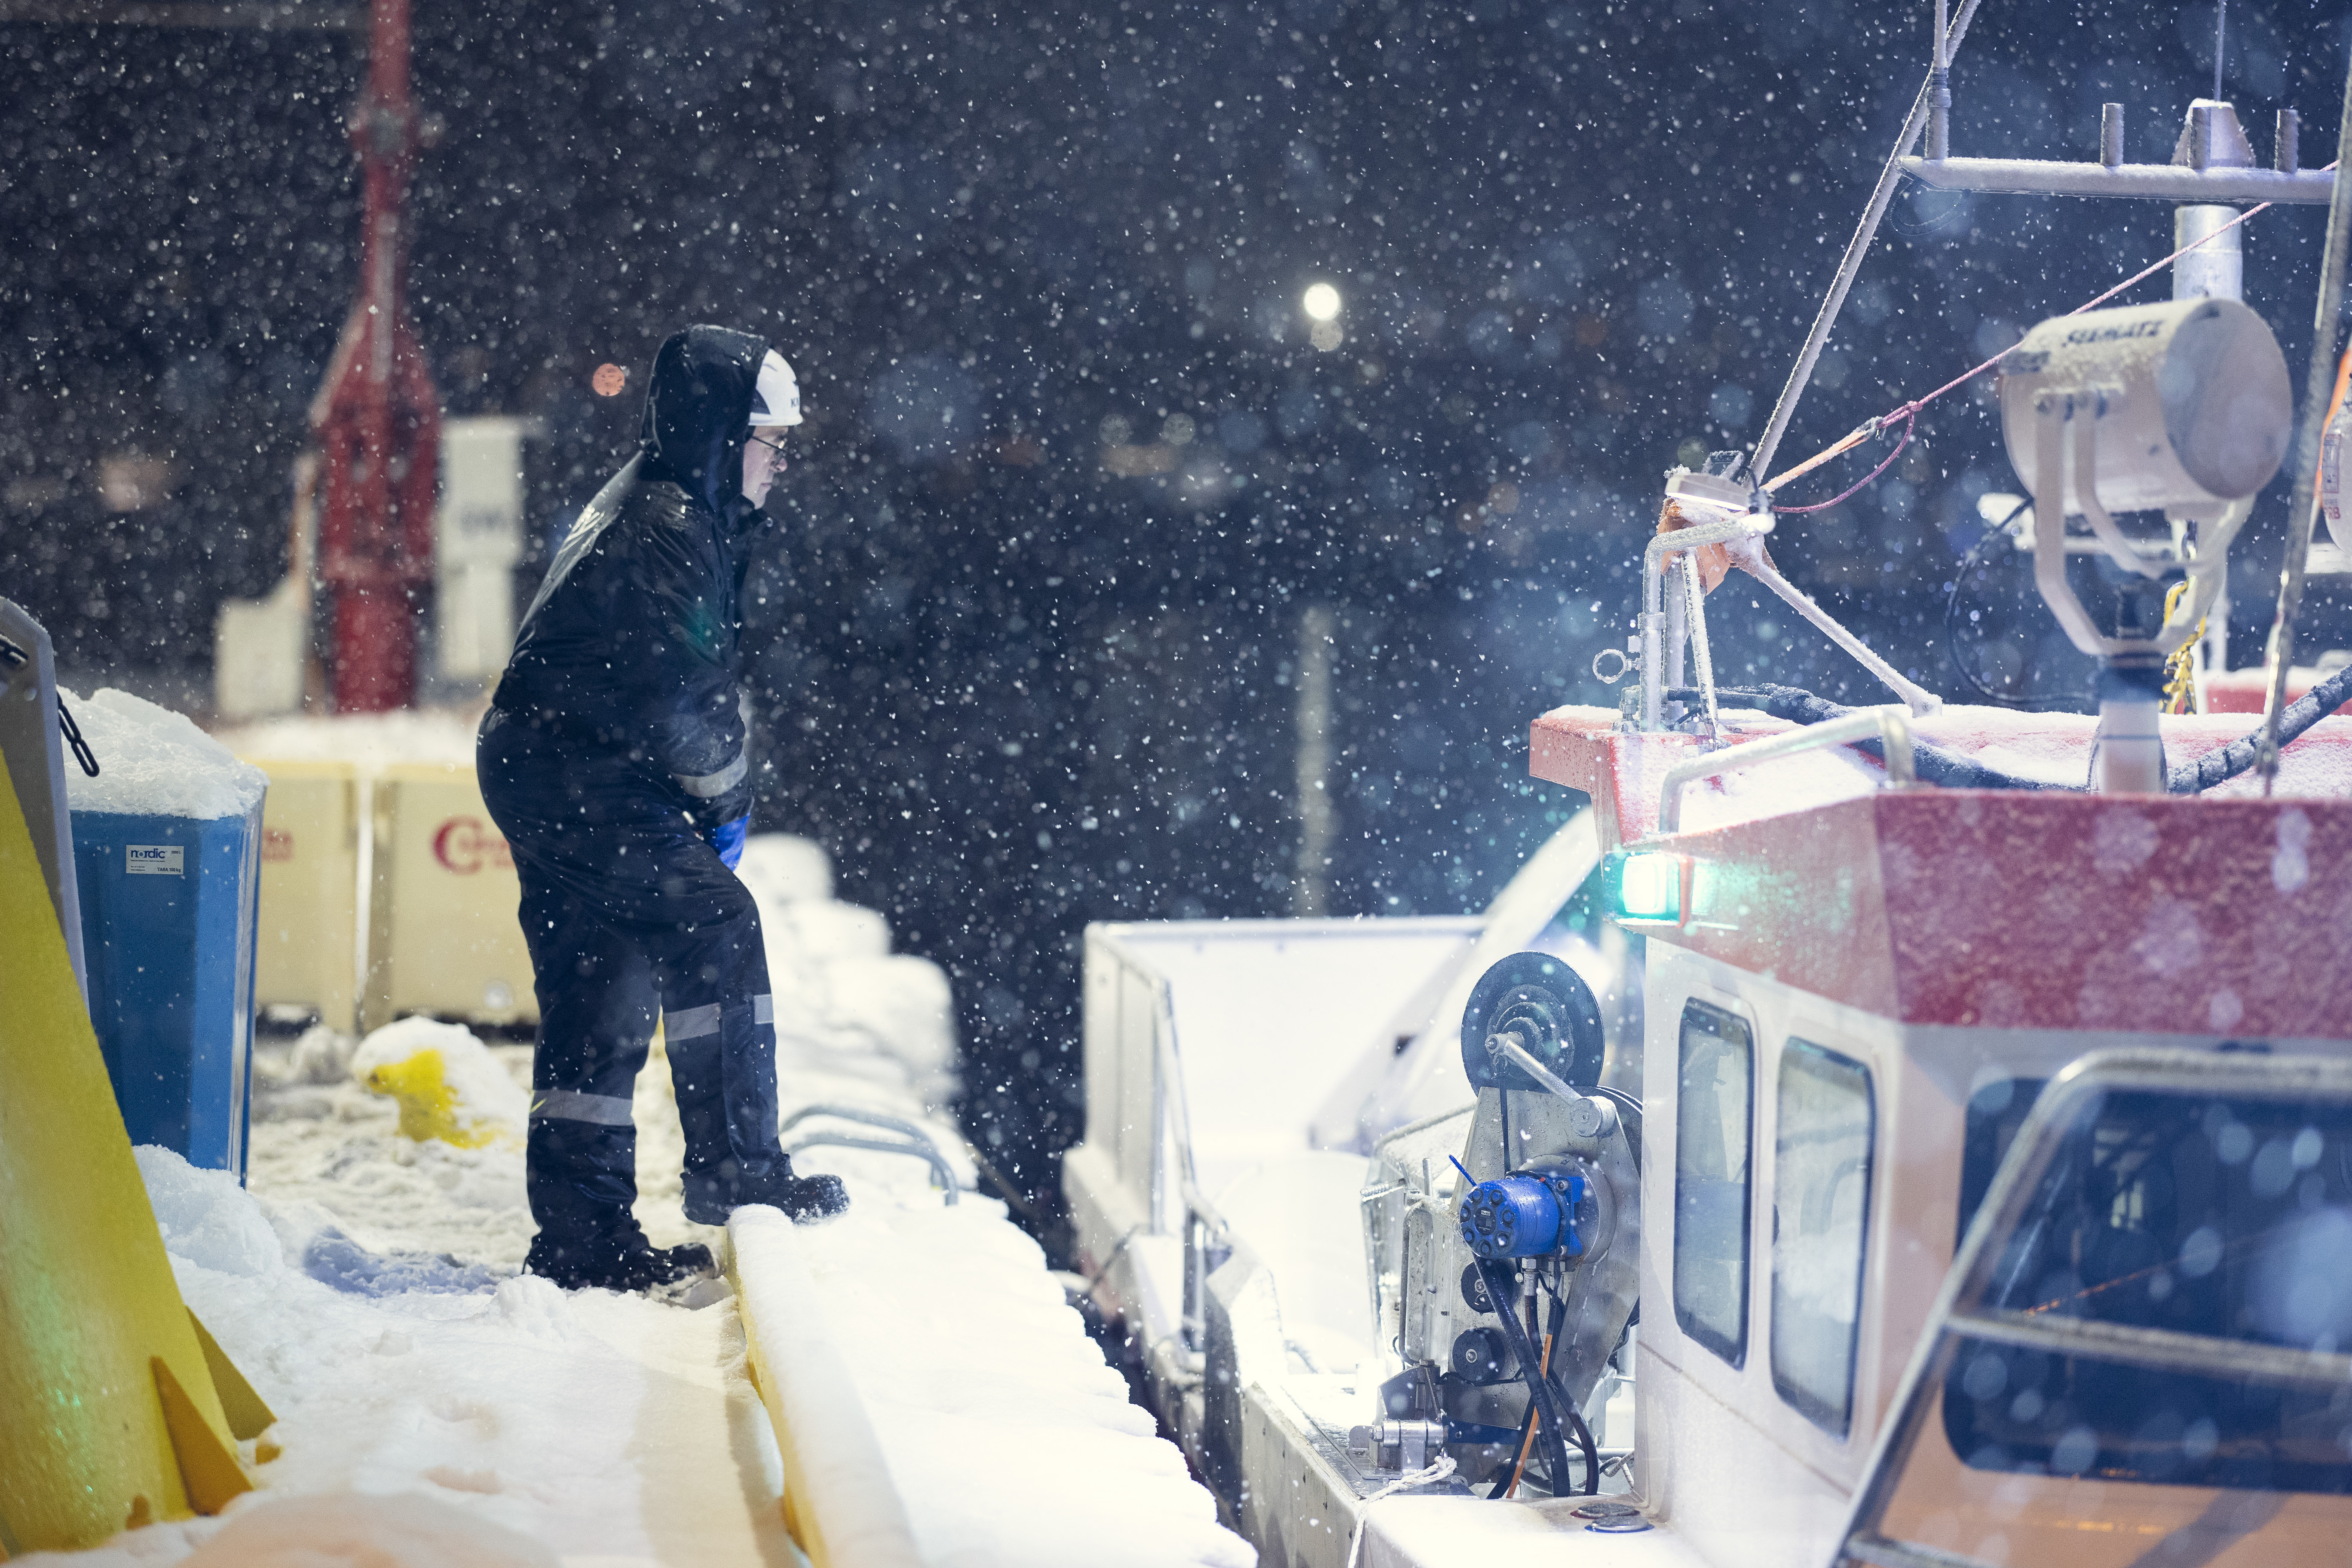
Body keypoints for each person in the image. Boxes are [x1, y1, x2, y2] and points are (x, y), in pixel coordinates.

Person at [479, 324, 848, 1293]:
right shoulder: (669, 526)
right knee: (718, 926)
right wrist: (726, 803)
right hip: (580, 769)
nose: (779, 462)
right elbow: (687, 705)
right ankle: (738, 1171)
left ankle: (582, 1237)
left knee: (601, 984)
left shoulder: (670, 504)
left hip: (549, 757)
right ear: (725, 435)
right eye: (771, 441)